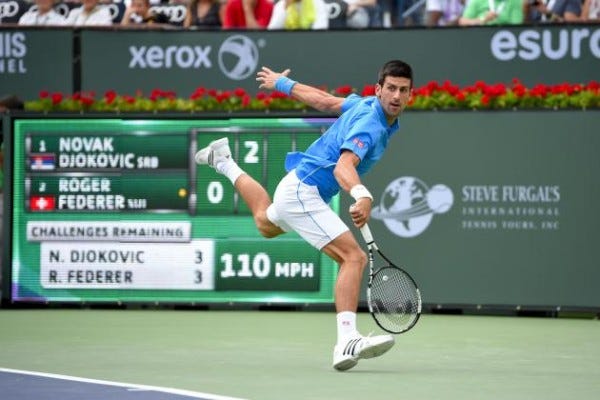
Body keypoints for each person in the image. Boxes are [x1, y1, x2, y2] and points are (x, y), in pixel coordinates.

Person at [195, 60, 414, 371]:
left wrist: (282, 84)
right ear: (379, 90)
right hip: (303, 192)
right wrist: (362, 194)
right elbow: (343, 167)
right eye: (390, 88)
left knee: (264, 223)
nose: (396, 95)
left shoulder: (365, 105)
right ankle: (347, 340)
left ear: (410, 95)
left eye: (402, 90)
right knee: (353, 258)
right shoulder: (371, 122)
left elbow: (324, 101)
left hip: (297, 186)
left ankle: (223, 161)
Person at [458, 0, 523, 25]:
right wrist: (483, 20)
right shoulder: (477, 1)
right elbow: (463, 22)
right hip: (479, 36)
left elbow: (516, 26)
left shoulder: (515, 1)